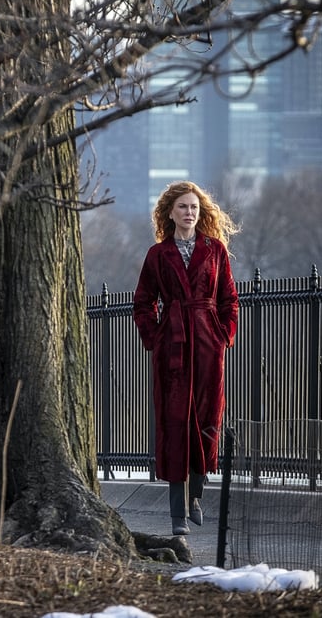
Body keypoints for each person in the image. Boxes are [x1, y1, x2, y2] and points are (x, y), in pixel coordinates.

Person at [133, 181, 239, 536]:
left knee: (207, 420)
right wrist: (155, 338)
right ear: (170, 212)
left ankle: (197, 492)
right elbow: (142, 303)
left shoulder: (215, 251)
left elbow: (229, 299)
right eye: (182, 207)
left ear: (201, 211)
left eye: (194, 207)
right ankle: (177, 514)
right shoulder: (157, 255)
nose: (189, 212)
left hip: (209, 346)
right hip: (173, 349)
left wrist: (224, 334)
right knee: (175, 424)